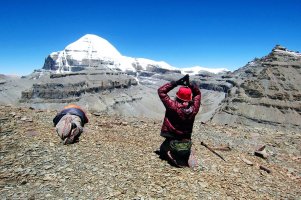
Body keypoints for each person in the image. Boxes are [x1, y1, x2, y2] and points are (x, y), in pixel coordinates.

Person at [158, 74, 201, 168]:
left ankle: (172, 153)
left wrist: (176, 83)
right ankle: (185, 153)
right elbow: (197, 94)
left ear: (178, 96)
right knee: (183, 146)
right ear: (190, 98)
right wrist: (191, 85)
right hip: (186, 137)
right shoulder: (194, 109)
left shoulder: (172, 106)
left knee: (162, 150)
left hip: (171, 136)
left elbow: (161, 91)